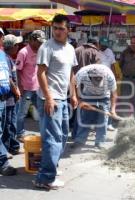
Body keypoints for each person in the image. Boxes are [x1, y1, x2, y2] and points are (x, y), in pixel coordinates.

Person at [33, 14, 78, 190]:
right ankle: (45, 178)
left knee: (63, 135)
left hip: (64, 97)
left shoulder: (70, 49)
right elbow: (40, 73)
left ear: (68, 30)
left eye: (61, 28)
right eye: (55, 28)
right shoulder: (47, 46)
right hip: (49, 98)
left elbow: (70, 74)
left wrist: (73, 95)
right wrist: (49, 97)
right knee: (52, 138)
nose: (58, 31)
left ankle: (51, 167)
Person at [72, 64, 117, 149]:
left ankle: (100, 142)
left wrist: (113, 109)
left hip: (104, 96)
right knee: (86, 118)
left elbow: (114, 94)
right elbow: (73, 84)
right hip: (88, 94)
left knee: (103, 119)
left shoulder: (109, 75)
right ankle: (80, 141)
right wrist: (78, 100)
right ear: (89, 76)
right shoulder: (82, 73)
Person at [16, 30, 46, 142]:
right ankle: (20, 134)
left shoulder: (40, 51)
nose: (40, 44)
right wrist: (20, 87)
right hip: (26, 88)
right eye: (39, 42)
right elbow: (18, 71)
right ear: (32, 40)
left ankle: (44, 132)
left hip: (38, 88)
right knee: (22, 113)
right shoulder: (23, 52)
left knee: (42, 111)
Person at [0, 28, 18, 176]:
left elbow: (8, 77)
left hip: (4, 98)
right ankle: (3, 161)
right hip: (4, 98)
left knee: (3, 128)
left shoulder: (2, 55)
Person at [2, 34, 22, 155]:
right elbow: (8, 79)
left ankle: (12, 147)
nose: (18, 47)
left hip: (11, 97)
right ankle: (6, 149)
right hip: (9, 97)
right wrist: (16, 90)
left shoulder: (8, 58)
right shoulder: (5, 58)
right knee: (8, 125)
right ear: (12, 46)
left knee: (10, 123)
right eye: (16, 45)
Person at [98, 37, 118, 131]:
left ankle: (109, 123)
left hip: (108, 79)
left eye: (105, 45)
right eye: (102, 45)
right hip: (97, 80)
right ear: (99, 43)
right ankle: (98, 123)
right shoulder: (96, 51)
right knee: (98, 101)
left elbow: (113, 64)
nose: (104, 47)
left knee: (109, 101)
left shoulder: (109, 51)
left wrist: (114, 77)